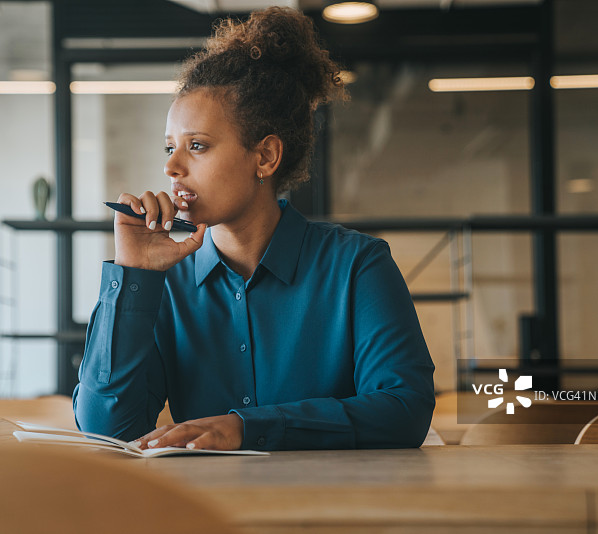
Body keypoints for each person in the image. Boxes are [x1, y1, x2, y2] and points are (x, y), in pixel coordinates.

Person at [73, 7, 434, 451]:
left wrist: (248, 427)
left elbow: (405, 410)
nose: (171, 166)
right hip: (208, 515)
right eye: (170, 147)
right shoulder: (165, 281)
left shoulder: (358, 265)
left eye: (197, 146)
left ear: (265, 157)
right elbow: (105, 431)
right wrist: (133, 276)